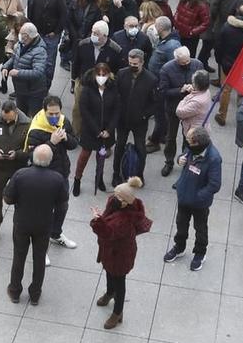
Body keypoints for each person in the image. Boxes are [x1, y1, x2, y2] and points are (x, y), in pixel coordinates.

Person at [3, 144, 68, 305]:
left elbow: (8, 199)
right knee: (39, 260)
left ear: (33, 158)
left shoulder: (20, 175)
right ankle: (35, 294)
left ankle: (15, 291)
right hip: (44, 225)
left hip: (22, 223)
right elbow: (62, 203)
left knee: (19, 257)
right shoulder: (57, 179)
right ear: (50, 160)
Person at [90, 177, 152, 329]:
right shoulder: (121, 206)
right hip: (112, 252)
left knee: (119, 281)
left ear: (124, 201)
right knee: (109, 272)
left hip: (119, 255)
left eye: (117, 196)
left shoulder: (123, 220)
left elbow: (107, 232)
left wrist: (97, 220)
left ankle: (117, 312)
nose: (112, 198)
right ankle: (110, 292)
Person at [163, 117, 222, 272]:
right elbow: (183, 156)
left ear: (197, 143)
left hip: (199, 203)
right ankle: (179, 247)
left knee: (200, 228)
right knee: (181, 225)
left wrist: (197, 197)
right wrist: (179, 159)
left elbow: (214, 185)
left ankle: (199, 253)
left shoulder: (214, 159)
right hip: (184, 197)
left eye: (189, 140)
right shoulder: (191, 148)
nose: (186, 142)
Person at [0, 97, 35, 243]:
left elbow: (31, 149)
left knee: (21, 201)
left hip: (19, 169)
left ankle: (20, 229)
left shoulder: (28, 124)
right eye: (5, 119)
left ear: (16, 112)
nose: (7, 122)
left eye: (10, 119)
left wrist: (17, 155)